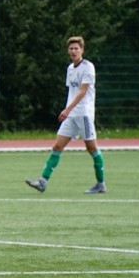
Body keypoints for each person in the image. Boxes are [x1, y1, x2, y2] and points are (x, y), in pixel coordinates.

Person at [26, 36, 107, 194]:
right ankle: (43, 181)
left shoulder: (88, 67)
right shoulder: (70, 68)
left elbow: (83, 92)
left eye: (76, 48)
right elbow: (72, 91)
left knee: (92, 148)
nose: (73, 51)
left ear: (82, 50)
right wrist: (69, 110)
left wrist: (67, 109)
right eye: (71, 48)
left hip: (83, 114)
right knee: (57, 146)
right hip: (71, 115)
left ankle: (100, 183)